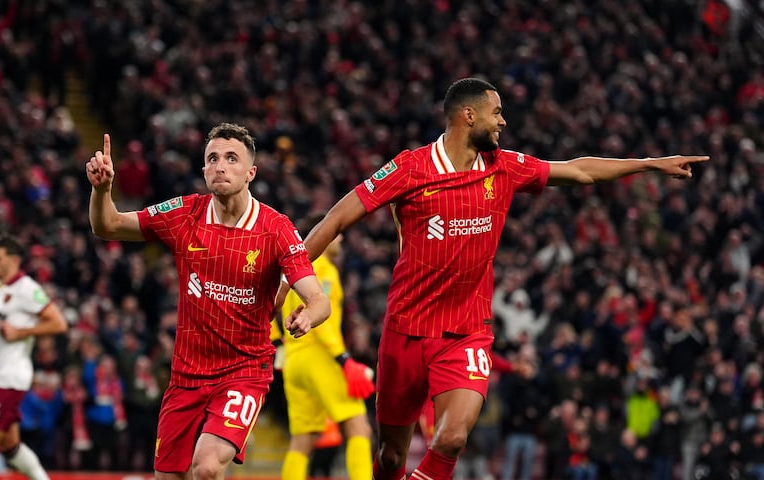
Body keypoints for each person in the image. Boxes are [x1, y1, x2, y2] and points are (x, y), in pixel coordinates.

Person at [288, 77, 708, 480]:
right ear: (468, 116)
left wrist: (650, 163)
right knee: (390, 454)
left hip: (467, 332)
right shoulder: (410, 168)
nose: (504, 121)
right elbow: (338, 217)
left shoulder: (503, 168)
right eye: (497, 112)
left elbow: (579, 171)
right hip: (406, 331)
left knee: (451, 438)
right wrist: (293, 278)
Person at [86, 123, 330, 480]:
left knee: (207, 466)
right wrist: (102, 190)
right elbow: (107, 225)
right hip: (186, 375)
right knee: (169, 477)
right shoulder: (184, 214)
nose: (220, 166)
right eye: (212, 158)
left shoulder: (275, 229)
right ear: (203, 170)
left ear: (251, 172)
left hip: (244, 371)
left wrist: (309, 314)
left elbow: (318, 298)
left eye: (231, 158)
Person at [271, 213, 374, 480]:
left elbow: (268, 310)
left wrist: (276, 346)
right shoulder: (323, 269)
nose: (339, 238)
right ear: (324, 236)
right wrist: (344, 359)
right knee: (358, 427)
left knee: (303, 439)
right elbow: (324, 323)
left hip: (293, 361)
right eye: (336, 234)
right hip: (320, 356)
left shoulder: (290, 270)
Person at [0, 235, 68, 480]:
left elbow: (59, 323)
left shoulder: (28, 289)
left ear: (14, 260)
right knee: (9, 446)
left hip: (9, 376)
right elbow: (0, 321)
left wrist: (23, 332)